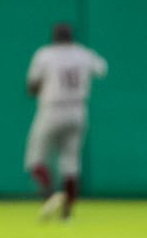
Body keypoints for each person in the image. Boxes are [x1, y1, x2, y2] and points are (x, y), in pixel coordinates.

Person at [25, 23, 108, 221]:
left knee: (35, 160)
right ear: (71, 38)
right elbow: (102, 69)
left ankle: (51, 195)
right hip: (77, 109)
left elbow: (32, 86)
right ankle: (67, 212)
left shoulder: (45, 54)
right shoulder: (83, 53)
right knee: (71, 164)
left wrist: (41, 86)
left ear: (54, 37)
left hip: (52, 109)